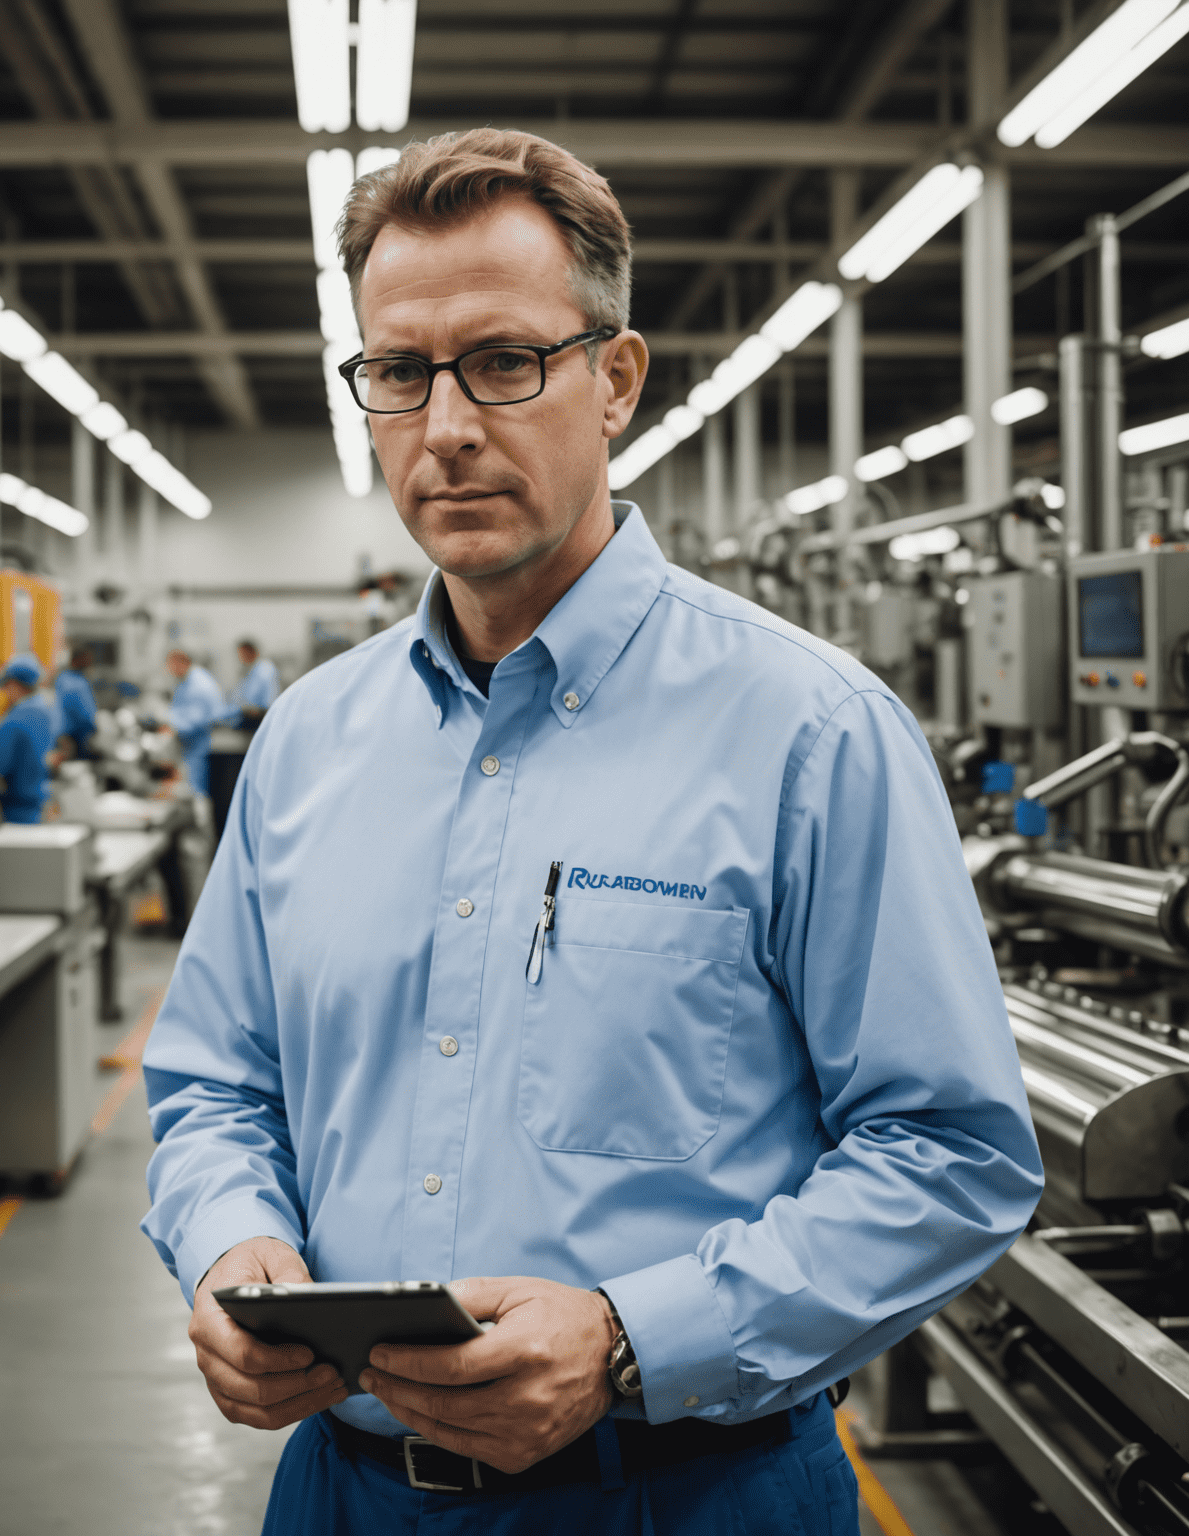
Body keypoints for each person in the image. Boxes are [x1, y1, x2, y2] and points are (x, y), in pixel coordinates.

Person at [140, 129, 1042, 1535]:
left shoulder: (810, 732)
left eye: (505, 362)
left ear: (615, 379)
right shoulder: (309, 742)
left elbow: (951, 1153)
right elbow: (212, 1083)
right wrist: (229, 1243)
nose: (445, 426)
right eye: (398, 373)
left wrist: (632, 1336)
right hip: (343, 1495)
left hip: (690, 1492)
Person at [0, 655, 54, 825]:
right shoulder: (42, 714)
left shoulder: (13, 722)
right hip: (37, 809)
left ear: (12, 684)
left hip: (16, 815)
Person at [161, 649, 225, 797]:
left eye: (171, 665)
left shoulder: (199, 684)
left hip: (200, 745)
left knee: (197, 791)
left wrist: (170, 726)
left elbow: (196, 720)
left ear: (182, 662)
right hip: (192, 746)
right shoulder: (188, 680)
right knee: (191, 789)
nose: (170, 669)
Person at [52, 647, 99, 760]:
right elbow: (84, 714)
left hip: (68, 734)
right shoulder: (74, 683)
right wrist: (94, 727)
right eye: (86, 660)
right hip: (74, 735)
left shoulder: (65, 678)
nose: (89, 663)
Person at [224, 639, 281, 729]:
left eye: (241, 654)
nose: (240, 658)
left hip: (259, 719)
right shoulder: (250, 670)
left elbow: (265, 703)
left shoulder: (264, 669)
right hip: (248, 716)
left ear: (250, 652)